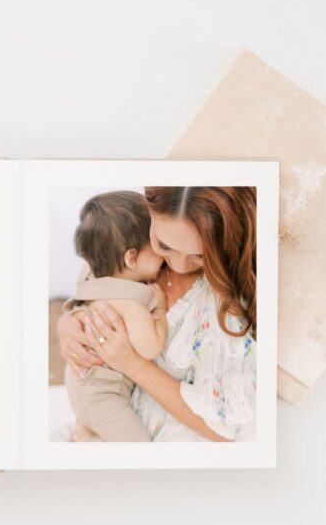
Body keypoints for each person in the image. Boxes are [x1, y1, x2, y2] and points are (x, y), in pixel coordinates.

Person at [57, 186, 257, 442]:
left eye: (200, 256)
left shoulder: (224, 309)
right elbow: (88, 287)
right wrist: (70, 322)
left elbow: (225, 428)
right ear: (148, 212)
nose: (177, 265)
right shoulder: (125, 242)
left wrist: (132, 364)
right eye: (164, 246)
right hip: (94, 417)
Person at [63, 191, 169, 442]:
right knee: (138, 447)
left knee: (94, 419)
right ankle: (86, 432)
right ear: (132, 258)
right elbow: (150, 348)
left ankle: (85, 430)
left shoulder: (91, 279)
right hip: (103, 398)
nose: (162, 253)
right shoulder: (131, 304)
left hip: (79, 385)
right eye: (155, 247)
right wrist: (161, 312)